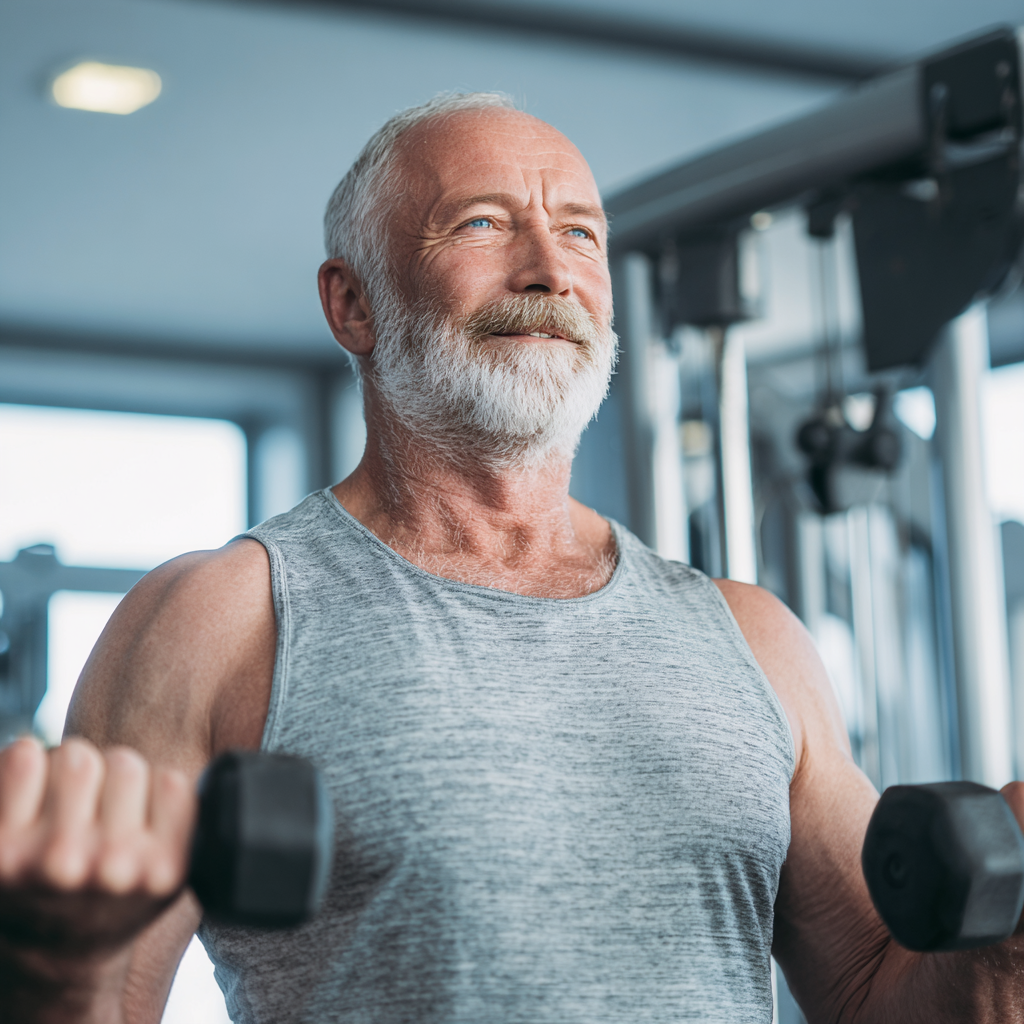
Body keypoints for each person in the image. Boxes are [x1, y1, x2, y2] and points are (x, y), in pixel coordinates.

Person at [0, 91, 1022, 1024]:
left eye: (580, 232)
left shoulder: (753, 638)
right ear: (352, 304)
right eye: (482, 224)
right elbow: (100, 996)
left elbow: (878, 998)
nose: (549, 271)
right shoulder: (218, 620)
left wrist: (1008, 945)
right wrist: (49, 969)